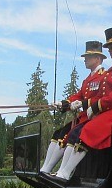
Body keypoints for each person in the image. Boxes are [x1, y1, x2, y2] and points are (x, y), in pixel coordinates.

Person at [51, 26, 112, 182]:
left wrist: (94, 106)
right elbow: (101, 94)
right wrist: (73, 103)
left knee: (89, 130)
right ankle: (63, 172)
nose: (110, 50)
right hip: (109, 111)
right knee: (77, 131)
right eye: (109, 47)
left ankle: (65, 173)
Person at [40, 41, 107, 173]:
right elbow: (78, 96)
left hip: (94, 117)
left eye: (88, 57)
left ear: (98, 58)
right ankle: (46, 168)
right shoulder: (87, 80)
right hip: (84, 118)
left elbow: (101, 98)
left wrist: (82, 104)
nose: (85, 60)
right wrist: (64, 103)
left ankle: (64, 172)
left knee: (73, 135)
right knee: (59, 133)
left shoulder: (104, 77)